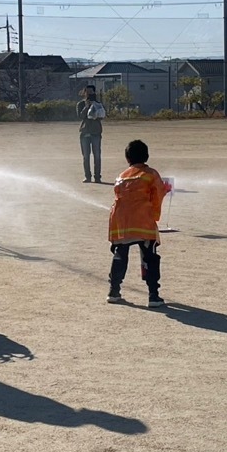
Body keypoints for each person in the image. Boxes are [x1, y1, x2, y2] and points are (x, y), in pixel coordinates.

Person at [107, 139, 167, 307]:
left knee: (120, 254)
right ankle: (153, 295)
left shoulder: (121, 176)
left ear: (128, 158)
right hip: (143, 221)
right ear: (146, 156)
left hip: (122, 222)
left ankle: (114, 291)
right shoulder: (150, 174)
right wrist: (154, 216)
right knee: (150, 257)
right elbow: (158, 195)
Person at [77, 84, 106, 183]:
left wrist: (96, 111)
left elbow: (102, 116)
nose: (89, 94)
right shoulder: (80, 104)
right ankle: (87, 176)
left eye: (91, 92)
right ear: (84, 93)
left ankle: (97, 177)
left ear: (94, 93)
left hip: (96, 132)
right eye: (87, 92)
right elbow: (80, 116)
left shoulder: (99, 104)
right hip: (85, 132)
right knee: (86, 156)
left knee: (97, 155)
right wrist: (86, 107)